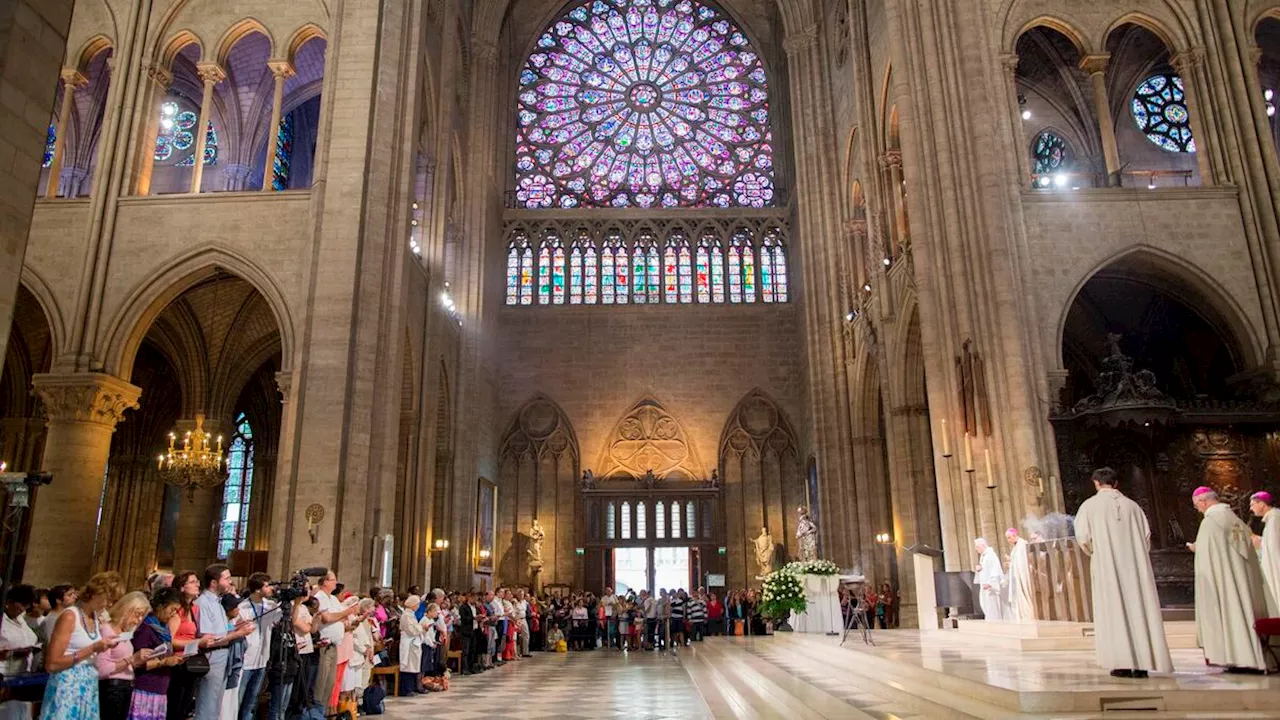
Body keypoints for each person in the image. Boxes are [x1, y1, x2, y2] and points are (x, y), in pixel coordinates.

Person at [1074, 467, 1172, 678]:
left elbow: (1083, 538)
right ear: (1116, 483)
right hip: (1136, 570)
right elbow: (1146, 537)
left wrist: (1100, 555)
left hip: (1107, 568)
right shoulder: (1133, 506)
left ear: (1096, 483)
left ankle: (1122, 662)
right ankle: (1143, 662)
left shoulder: (1089, 506)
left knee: (1114, 611)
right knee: (1139, 609)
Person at [1188, 486, 1270, 672]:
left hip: (1224, 584)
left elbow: (1208, 557)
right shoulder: (1235, 520)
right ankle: (1247, 658)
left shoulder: (1211, 522)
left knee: (1229, 614)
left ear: (1203, 501)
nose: (1198, 509)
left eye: (1196, 506)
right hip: (1240, 582)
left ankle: (1238, 659)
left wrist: (1197, 549)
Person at [42, 572, 125, 719]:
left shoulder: (94, 617)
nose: (110, 604)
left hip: (88, 685)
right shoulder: (70, 616)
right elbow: (52, 664)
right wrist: (93, 648)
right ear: (97, 593)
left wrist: (105, 645)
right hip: (67, 686)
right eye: (109, 599)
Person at [192, 564, 252, 720]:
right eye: (227, 579)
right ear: (214, 583)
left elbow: (222, 630)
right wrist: (238, 633)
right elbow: (208, 639)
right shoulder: (203, 603)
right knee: (207, 706)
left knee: (216, 706)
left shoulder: (218, 602)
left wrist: (236, 627)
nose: (230, 582)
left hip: (222, 656)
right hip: (212, 657)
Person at [130, 587, 189, 720]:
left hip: (160, 690)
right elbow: (137, 662)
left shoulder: (165, 628)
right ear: (161, 606)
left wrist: (174, 659)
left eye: (176, 611)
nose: (173, 614)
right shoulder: (146, 627)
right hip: (145, 689)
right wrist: (164, 662)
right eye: (172, 610)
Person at [310, 569, 359, 713]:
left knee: (330, 683)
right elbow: (327, 618)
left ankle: (324, 713)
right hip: (323, 646)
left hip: (334, 645)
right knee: (321, 682)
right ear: (325, 582)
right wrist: (345, 613)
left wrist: (340, 615)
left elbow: (339, 617)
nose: (336, 582)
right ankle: (317, 713)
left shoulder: (332, 598)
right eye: (333, 580)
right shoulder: (320, 597)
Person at [98, 591, 151, 720]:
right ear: (126, 609)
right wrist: (131, 659)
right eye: (137, 614)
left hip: (126, 685)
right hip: (112, 688)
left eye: (142, 616)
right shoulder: (107, 630)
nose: (139, 620)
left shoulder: (125, 632)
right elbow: (102, 669)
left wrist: (137, 660)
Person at [166, 571, 208, 720]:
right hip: (177, 663)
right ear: (182, 587)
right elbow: (169, 640)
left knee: (185, 707)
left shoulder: (194, 608)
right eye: (192, 582)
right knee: (175, 706)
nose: (197, 584)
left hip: (190, 662)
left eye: (197, 581)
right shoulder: (177, 609)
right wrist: (197, 643)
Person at [236, 572, 275, 720]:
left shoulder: (271, 606)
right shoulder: (243, 606)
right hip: (246, 660)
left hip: (262, 659)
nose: (271, 588)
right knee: (239, 699)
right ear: (258, 589)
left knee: (252, 701)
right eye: (267, 585)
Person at [1250, 491, 1280, 616]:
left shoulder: (1274, 519)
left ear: (1261, 503)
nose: (1251, 508)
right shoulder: (1272, 519)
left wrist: (1259, 543)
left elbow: (1274, 550)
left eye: (1252, 505)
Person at [1005, 528, 1034, 623]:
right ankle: (1021, 617)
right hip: (1016, 576)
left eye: (1009, 537)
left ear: (1014, 535)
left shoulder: (1022, 544)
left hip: (1022, 575)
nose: (1008, 540)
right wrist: (1011, 561)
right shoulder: (1015, 546)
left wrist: (1011, 564)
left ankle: (1027, 616)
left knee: (1024, 596)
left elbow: (1023, 562)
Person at [398, 595, 424, 695]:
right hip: (408, 643)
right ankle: (405, 689)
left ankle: (411, 688)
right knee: (407, 665)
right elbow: (412, 630)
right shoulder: (406, 615)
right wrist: (421, 628)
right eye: (417, 604)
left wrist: (419, 628)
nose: (418, 606)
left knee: (413, 666)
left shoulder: (411, 614)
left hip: (413, 643)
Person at [973, 538, 1004, 621]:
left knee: (992, 607)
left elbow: (995, 569)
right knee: (986, 606)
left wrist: (991, 583)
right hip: (984, 586)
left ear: (983, 545)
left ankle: (996, 624)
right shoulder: (983, 556)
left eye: (977, 547)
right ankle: (990, 623)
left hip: (990, 587)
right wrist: (979, 569)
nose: (976, 549)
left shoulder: (991, 555)